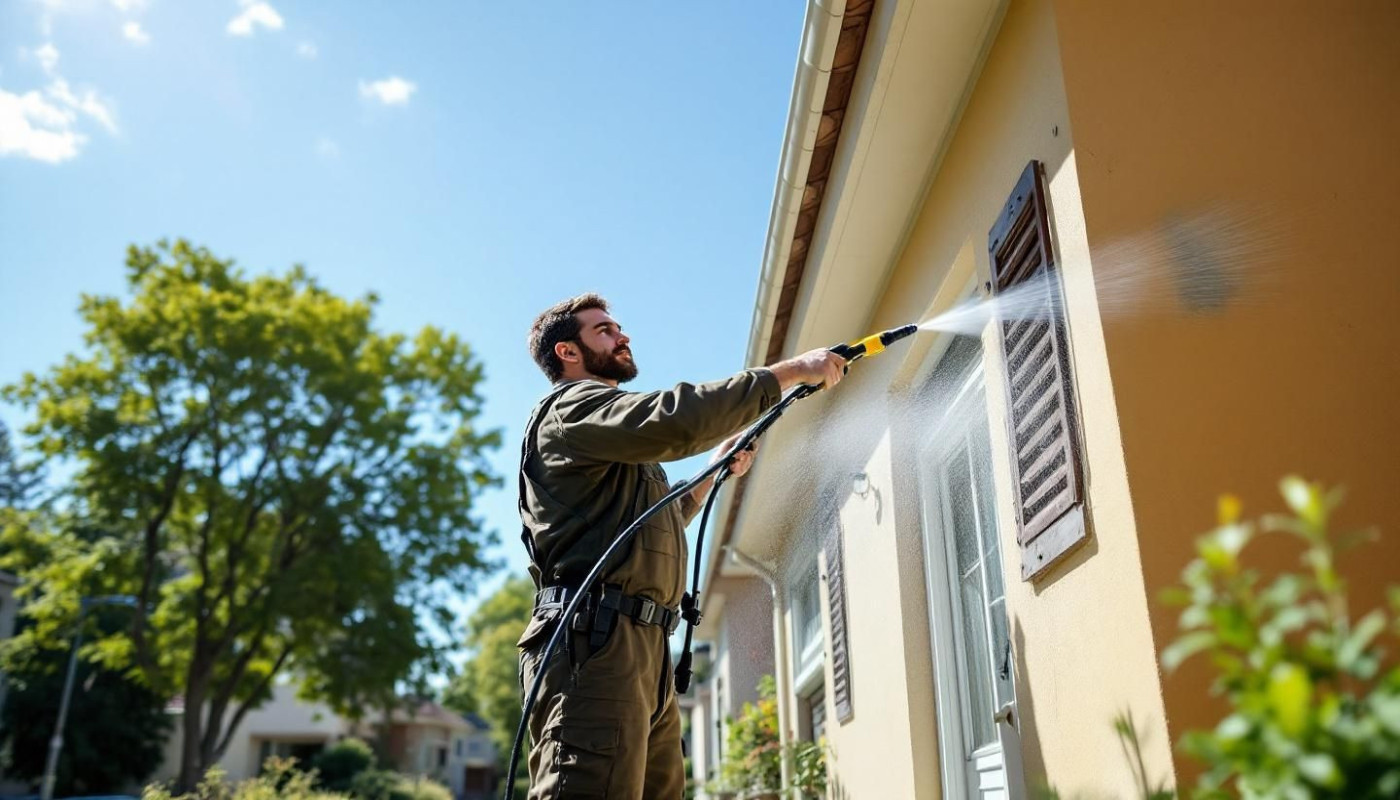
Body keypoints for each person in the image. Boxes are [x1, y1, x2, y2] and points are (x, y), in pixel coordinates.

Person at [517, 293, 846, 799]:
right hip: (595, 646)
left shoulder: (609, 442)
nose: (622, 336)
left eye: (619, 327)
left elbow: (654, 522)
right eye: (604, 330)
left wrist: (710, 474)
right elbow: (671, 419)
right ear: (568, 352)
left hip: (642, 646)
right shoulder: (570, 408)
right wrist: (791, 370)